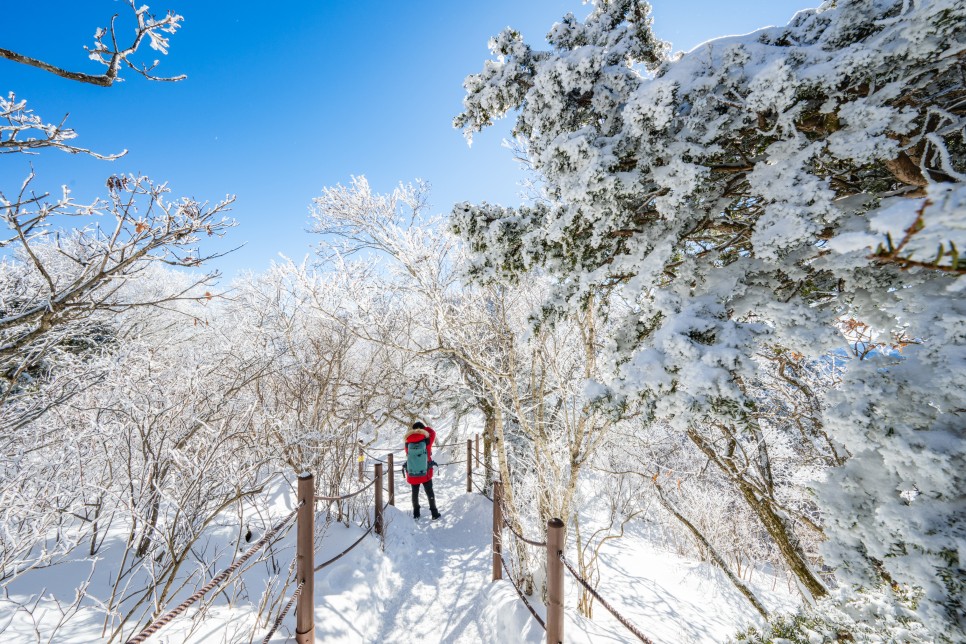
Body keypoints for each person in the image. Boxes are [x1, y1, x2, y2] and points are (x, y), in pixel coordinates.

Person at [403, 421, 440, 520]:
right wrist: (424, 430)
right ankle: (434, 513)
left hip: (413, 472)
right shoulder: (427, 440)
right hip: (426, 472)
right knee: (429, 492)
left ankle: (416, 513)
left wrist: (413, 432)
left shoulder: (408, 441)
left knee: (414, 493)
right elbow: (432, 432)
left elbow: (407, 454)